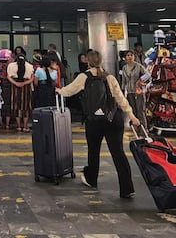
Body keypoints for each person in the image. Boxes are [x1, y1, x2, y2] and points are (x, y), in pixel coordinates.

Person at [57, 50, 140, 199]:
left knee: (93, 151)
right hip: (113, 119)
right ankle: (127, 188)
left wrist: (58, 90)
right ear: (101, 61)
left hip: (94, 121)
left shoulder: (84, 77)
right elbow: (121, 99)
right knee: (118, 153)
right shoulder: (110, 77)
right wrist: (132, 115)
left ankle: (91, 179)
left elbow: (69, 91)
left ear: (88, 62)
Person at [119, 50, 148, 125]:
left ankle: (143, 130)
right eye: (128, 55)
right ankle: (136, 130)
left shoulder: (139, 66)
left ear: (134, 57)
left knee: (140, 111)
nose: (130, 57)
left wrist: (140, 80)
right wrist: (122, 91)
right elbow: (124, 81)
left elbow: (147, 75)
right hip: (129, 92)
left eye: (131, 55)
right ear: (125, 58)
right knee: (133, 111)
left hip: (138, 91)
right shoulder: (124, 68)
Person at [7, 53, 34, 132]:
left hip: (15, 86)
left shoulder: (11, 65)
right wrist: (24, 83)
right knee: (26, 106)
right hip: (26, 87)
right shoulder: (30, 66)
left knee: (16, 105)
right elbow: (32, 78)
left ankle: (18, 126)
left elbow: (8, 76)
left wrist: (16, 83)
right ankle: (25, 126)